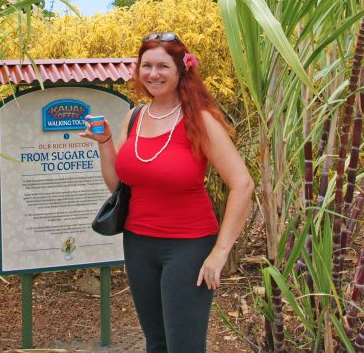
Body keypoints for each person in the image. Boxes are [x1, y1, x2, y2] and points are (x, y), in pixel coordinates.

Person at [82, 32, 253, 353]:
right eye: (146, 66)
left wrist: (220, 252)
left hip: (188, 248)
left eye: (163, 66)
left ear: (181, 71)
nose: (153, 74)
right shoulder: (135, 117)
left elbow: (242, 184)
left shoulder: (199, 120)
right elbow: (118, 186)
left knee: (183, 346)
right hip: (138, 244)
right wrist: (105, 144)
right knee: (157, 342)